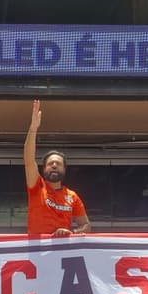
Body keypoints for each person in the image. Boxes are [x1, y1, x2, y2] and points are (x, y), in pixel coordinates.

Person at [24, 99, 91, 236]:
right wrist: (33, 128)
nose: (54, 165)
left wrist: (72, 232)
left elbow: (86, 225)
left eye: (58, 164)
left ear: (64, 170)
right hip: (37, 251)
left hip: (61, 253)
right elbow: (29, 160)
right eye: (50, 163)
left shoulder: (72, 196)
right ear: (44, 169)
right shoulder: (37, 187)